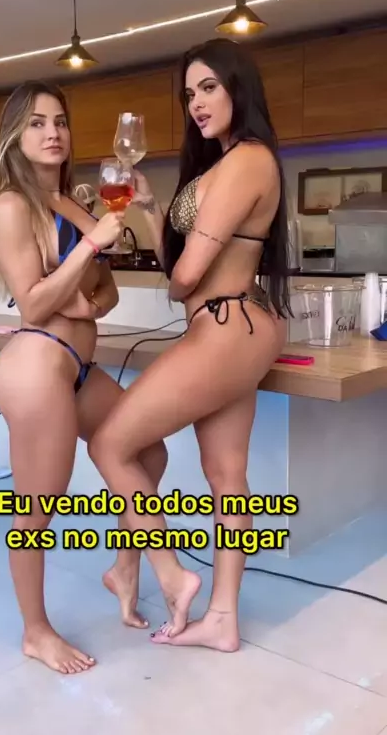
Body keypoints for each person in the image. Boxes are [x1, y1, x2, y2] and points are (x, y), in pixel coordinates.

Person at [88, 38, 292, 653]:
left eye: (208, 87)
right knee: (226, 474)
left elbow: (182, 278)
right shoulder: (222, 165)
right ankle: (222, 619)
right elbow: (178, 262)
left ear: (238, 88)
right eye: (188, 94)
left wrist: (162, 263)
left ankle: (169, 574)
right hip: (235, 322)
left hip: (226, 323)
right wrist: (153, 210)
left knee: (111, 443)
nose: (196, 103)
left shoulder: (248, 160)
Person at [0, 80, 167, 675]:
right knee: (38, 509)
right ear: (16, 135)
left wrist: (86, 294)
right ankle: (35, 632)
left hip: (77, 367)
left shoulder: (73, 204)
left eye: (60, 121)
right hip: (37, 364)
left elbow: (106, 292)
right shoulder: (12, 206)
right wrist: (89, 249)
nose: (53, 133)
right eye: (37, 123)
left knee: (148, 450)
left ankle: (123, 566)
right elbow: (35, 304)